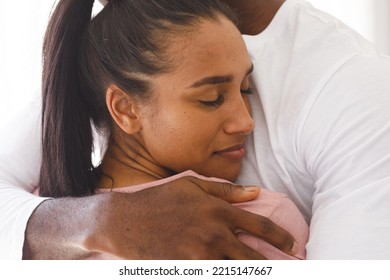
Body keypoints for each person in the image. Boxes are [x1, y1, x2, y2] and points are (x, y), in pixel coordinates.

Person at [1, 0, 389, 260]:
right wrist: (100, 222)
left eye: (246, 90)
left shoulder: (355, 88)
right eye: (210, 99)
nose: (245, 123)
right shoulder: (126, 57)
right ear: (122, 108)